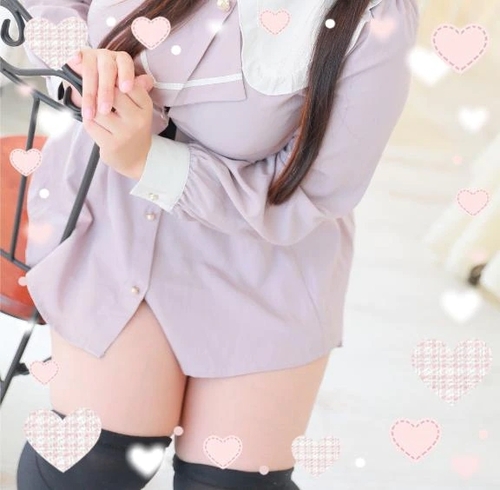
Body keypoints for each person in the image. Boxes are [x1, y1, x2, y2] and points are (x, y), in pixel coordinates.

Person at [16, 0, 419, 488]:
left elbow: (312, 193)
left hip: (263, 260)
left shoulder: (376, 17)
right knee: (86, 466)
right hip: (110, 219)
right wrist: (84, 67)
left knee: (230, 483)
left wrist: (149, 161)